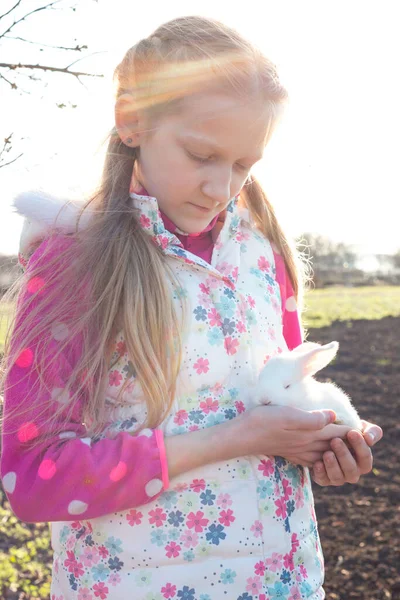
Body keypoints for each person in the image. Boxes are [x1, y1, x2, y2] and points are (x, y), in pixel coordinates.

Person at [0, 16, 382, 600]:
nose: (219, 187)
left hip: (283, 582)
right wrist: (237, 437)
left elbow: (282, 397)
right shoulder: (76, 266)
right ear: (131, 120)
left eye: (243, 165)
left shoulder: (263, 255)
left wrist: (325, 443)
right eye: (201, 154)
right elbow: (34, 479)